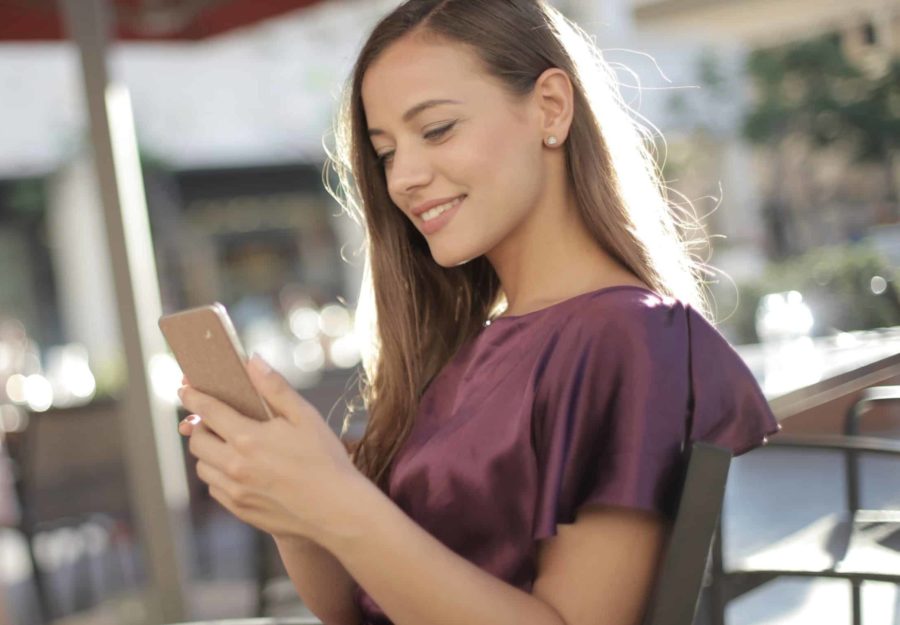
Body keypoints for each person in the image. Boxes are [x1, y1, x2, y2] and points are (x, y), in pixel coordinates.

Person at [177, 1, 781, 624]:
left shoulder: (627, 335)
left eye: (436, 130)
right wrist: (295, 510)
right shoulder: (467, 350)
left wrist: (337, 500)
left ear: (550, 106)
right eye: (385, 153)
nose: (403, 177)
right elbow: (356, 609)